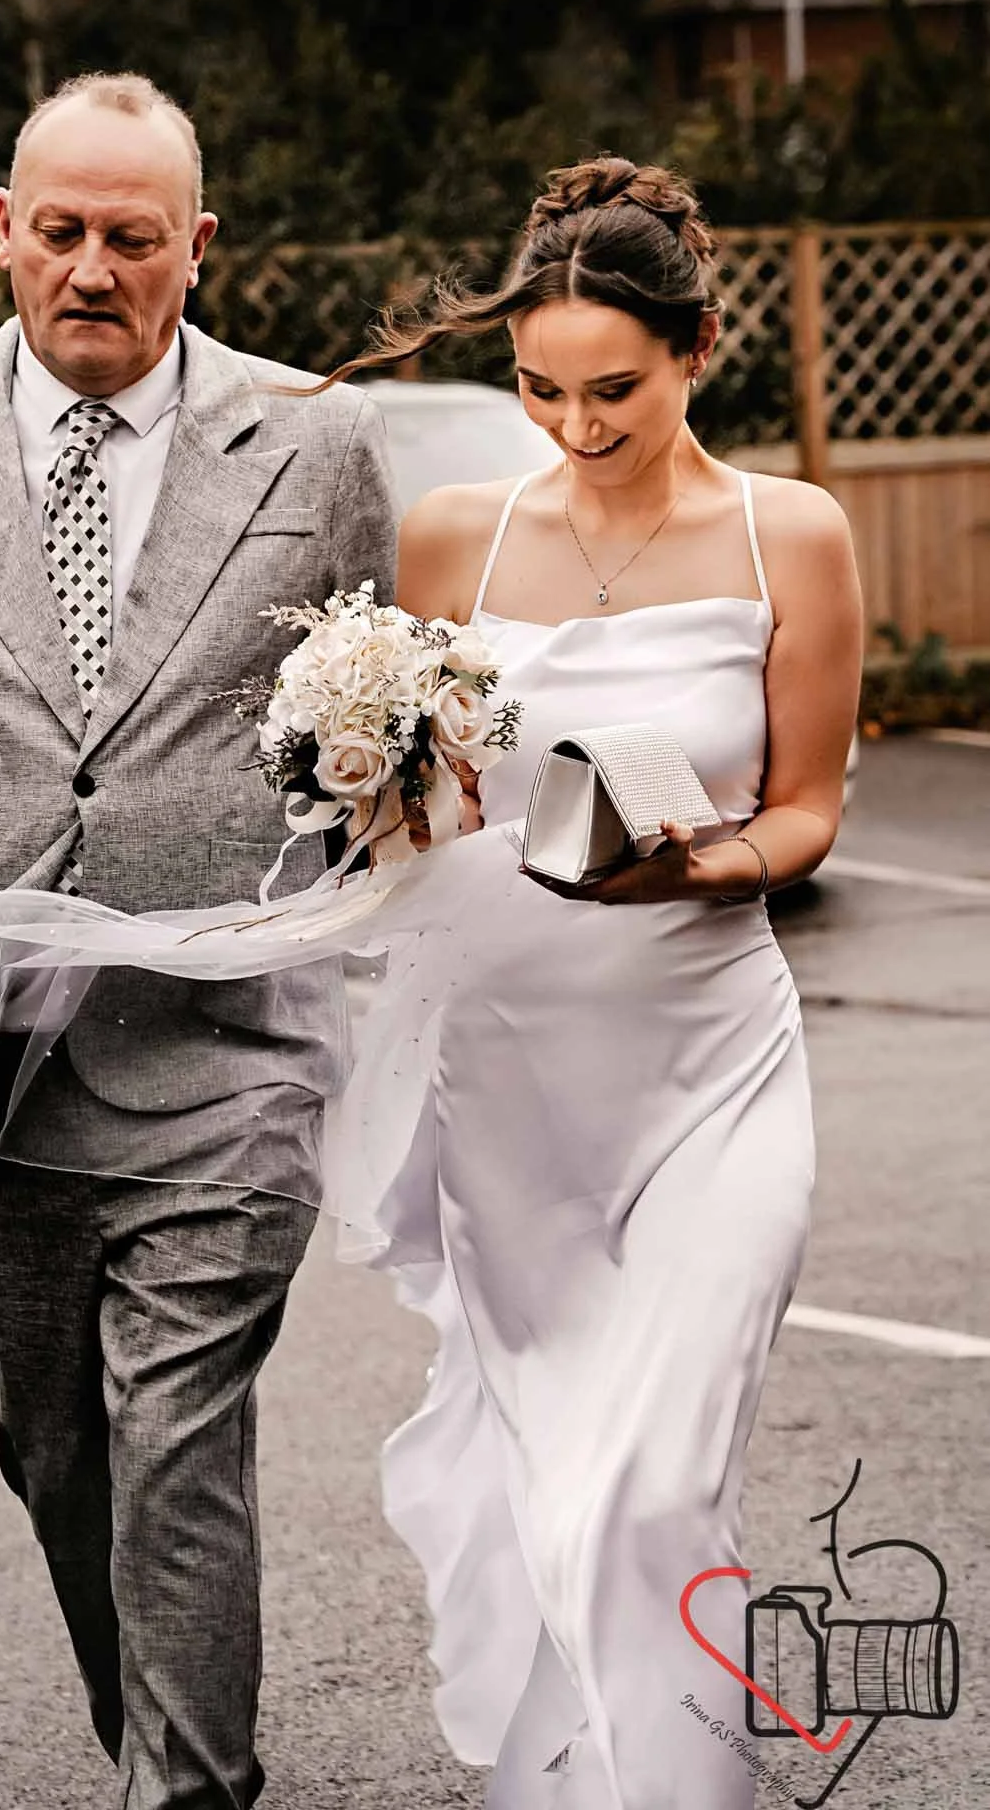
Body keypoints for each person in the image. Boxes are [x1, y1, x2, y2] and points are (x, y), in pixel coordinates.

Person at [0, 70, 396, 1810]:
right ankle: (171, 1740)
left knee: (180, 1442)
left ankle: (187, 1790)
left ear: (199, 247)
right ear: (7, 236)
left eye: (135, 236)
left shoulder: (316, 444)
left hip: (231, 1055)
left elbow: (375, 744)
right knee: (63, 1457)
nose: (94, 269)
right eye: (63, 231)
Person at [305, 154, 863, 1807]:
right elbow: (418, 804)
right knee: (572, 1468)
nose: (573, 424)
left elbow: (815, 809)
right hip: (510, 1088)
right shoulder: (457, 537)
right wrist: (358, 780)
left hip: (711, 1067)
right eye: (540, 390)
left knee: (659, 1473)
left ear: (697, 351)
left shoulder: (794, 537)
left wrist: (714, 862)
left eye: (611, 388)